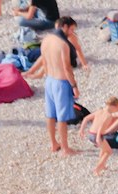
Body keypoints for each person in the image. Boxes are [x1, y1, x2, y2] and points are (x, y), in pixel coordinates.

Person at [40, 20, 80, 155]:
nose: (71, 33)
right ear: (64, 26)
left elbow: (44, 61)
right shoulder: (63, 45)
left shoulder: (46, 39)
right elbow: (67, 68)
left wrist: (46, 76)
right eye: (71, 30)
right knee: (62, 117)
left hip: (49, 80)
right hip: (61, 82)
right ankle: (65, 148)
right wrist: (74, 85)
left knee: (50, 114)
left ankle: (53, 143)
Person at [79, 97, 118, 174]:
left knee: (103, 149)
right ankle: (98, 168)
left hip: (91, 134)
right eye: (117, 107)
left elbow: (86, 118)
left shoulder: (99, 111)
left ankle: (103, 165)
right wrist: (98, 137)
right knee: (108, 152)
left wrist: (81, 130)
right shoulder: (108, 115)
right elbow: (101, 126)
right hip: (97, 135)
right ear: (113, 106)